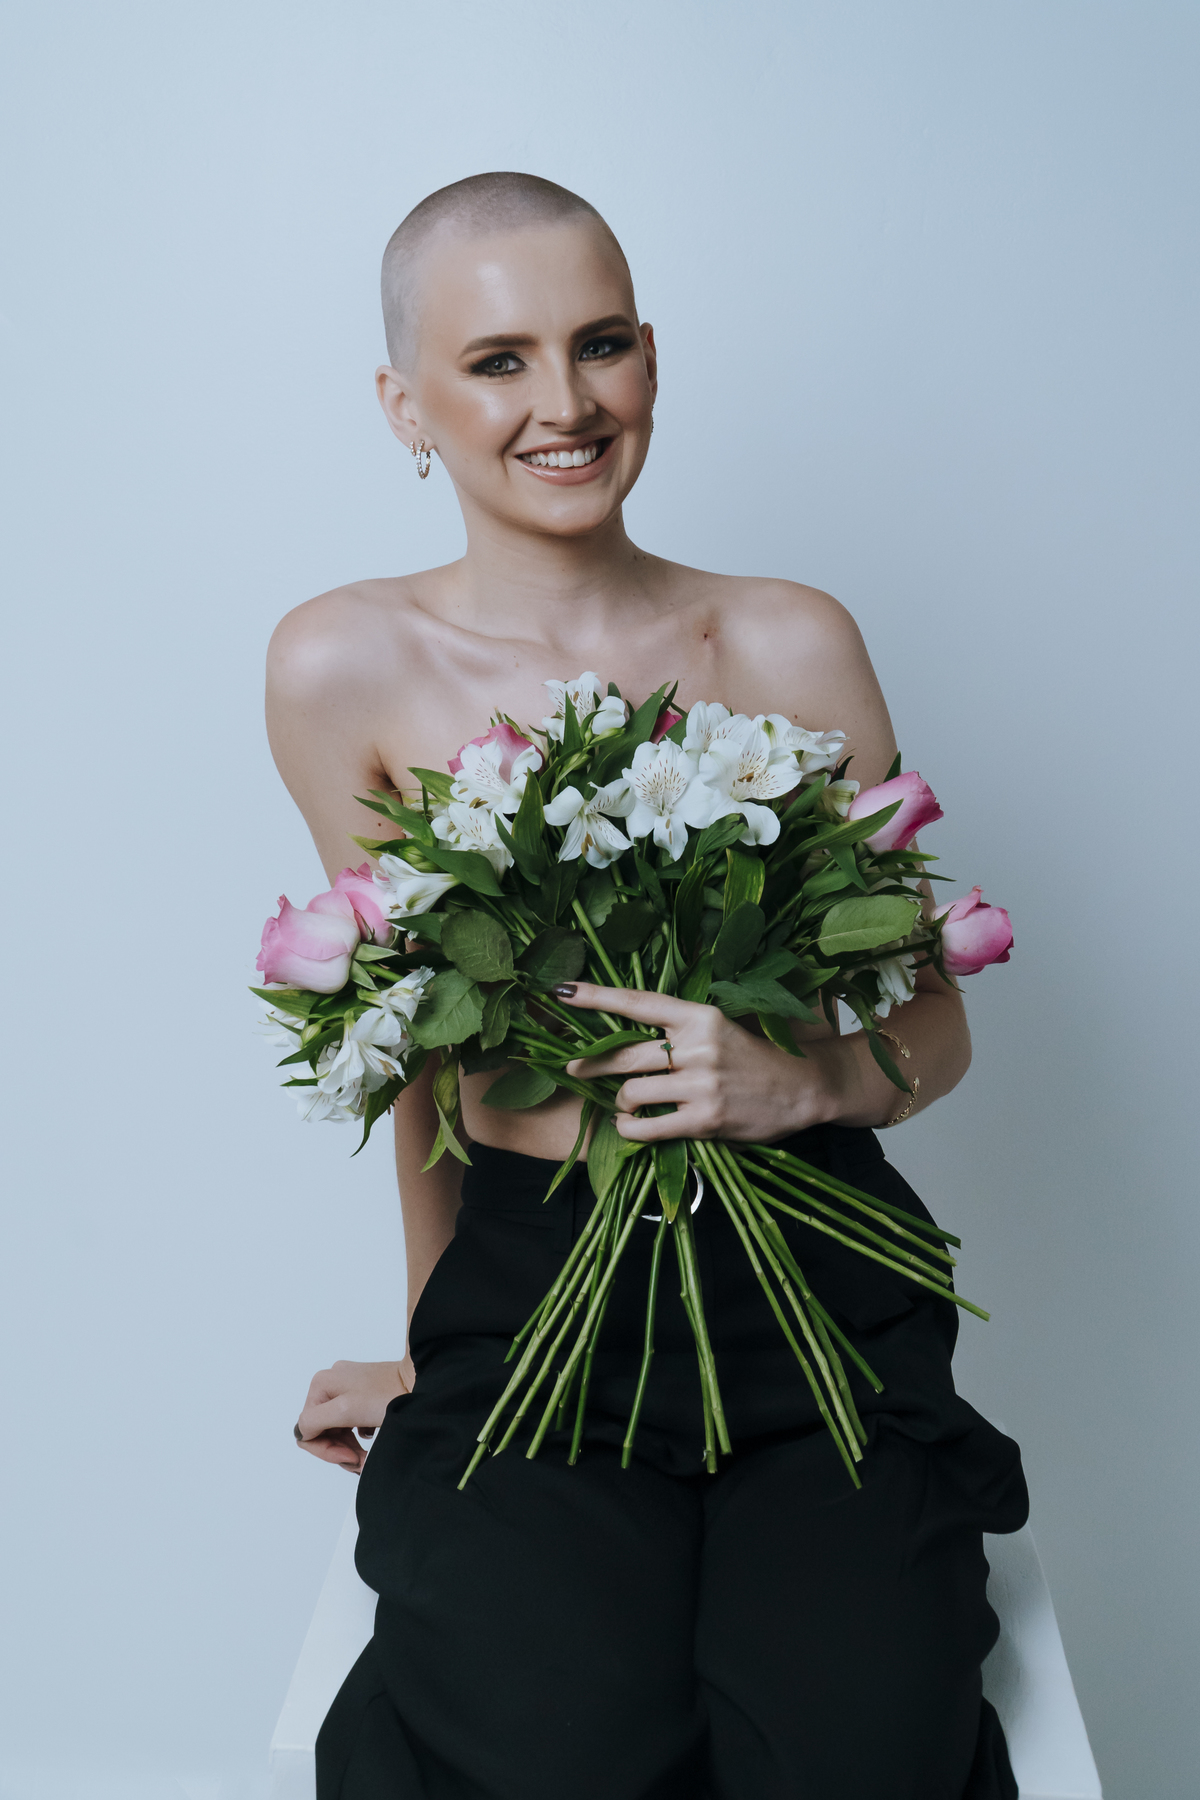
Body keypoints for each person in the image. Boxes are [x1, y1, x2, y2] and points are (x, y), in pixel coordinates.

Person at [267, 173, 1028, 1800]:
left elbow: (934, 1022)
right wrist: (433, 1347)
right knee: (554, 1755)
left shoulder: (791, 641)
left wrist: (803, 1082)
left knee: (853, 1757)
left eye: (599, 344)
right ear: (405, 405)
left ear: (652, 359)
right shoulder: (341, 664)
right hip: (533, 1300)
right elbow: (410, 1051)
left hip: (809, 1282)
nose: (565, 403)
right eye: (499, 360)